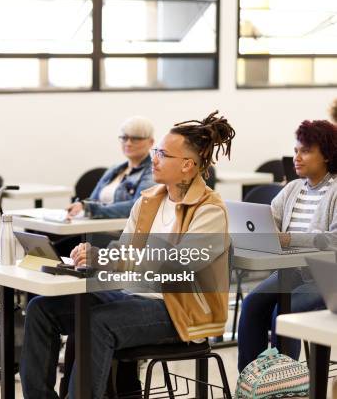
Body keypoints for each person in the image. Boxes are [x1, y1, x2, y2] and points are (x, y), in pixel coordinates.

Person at [21, 111, 235, 399]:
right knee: (41, 310)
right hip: (131, 294)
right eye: (156, 151)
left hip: (181, 309)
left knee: (96, 323)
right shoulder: (148, 201)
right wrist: (91, 256)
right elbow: (124, 252)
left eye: (162, 153)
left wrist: (107, 258)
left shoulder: (209, 210)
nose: (154, 158)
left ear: (187, 165)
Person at [237, 119, 337, 372]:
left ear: (326, 155)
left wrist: (290, 239)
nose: (297, 157)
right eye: (295, 151)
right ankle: (252, 380)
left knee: (283, 314)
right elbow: (268, 222)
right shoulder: (292, 188)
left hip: (326, 277)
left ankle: (283, 381)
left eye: (305, 151)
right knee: (251, 306)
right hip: (290, 271)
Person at [67, 116, 155, 219]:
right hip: (96, 226)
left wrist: (90, 208)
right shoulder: (115, 169)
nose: (128, 143)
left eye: (135, 138)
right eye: (124, 138)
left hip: (122, 231)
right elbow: (93, 200)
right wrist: (81, 206)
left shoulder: (153, 172)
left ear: (151, 142)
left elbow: (137, 207)